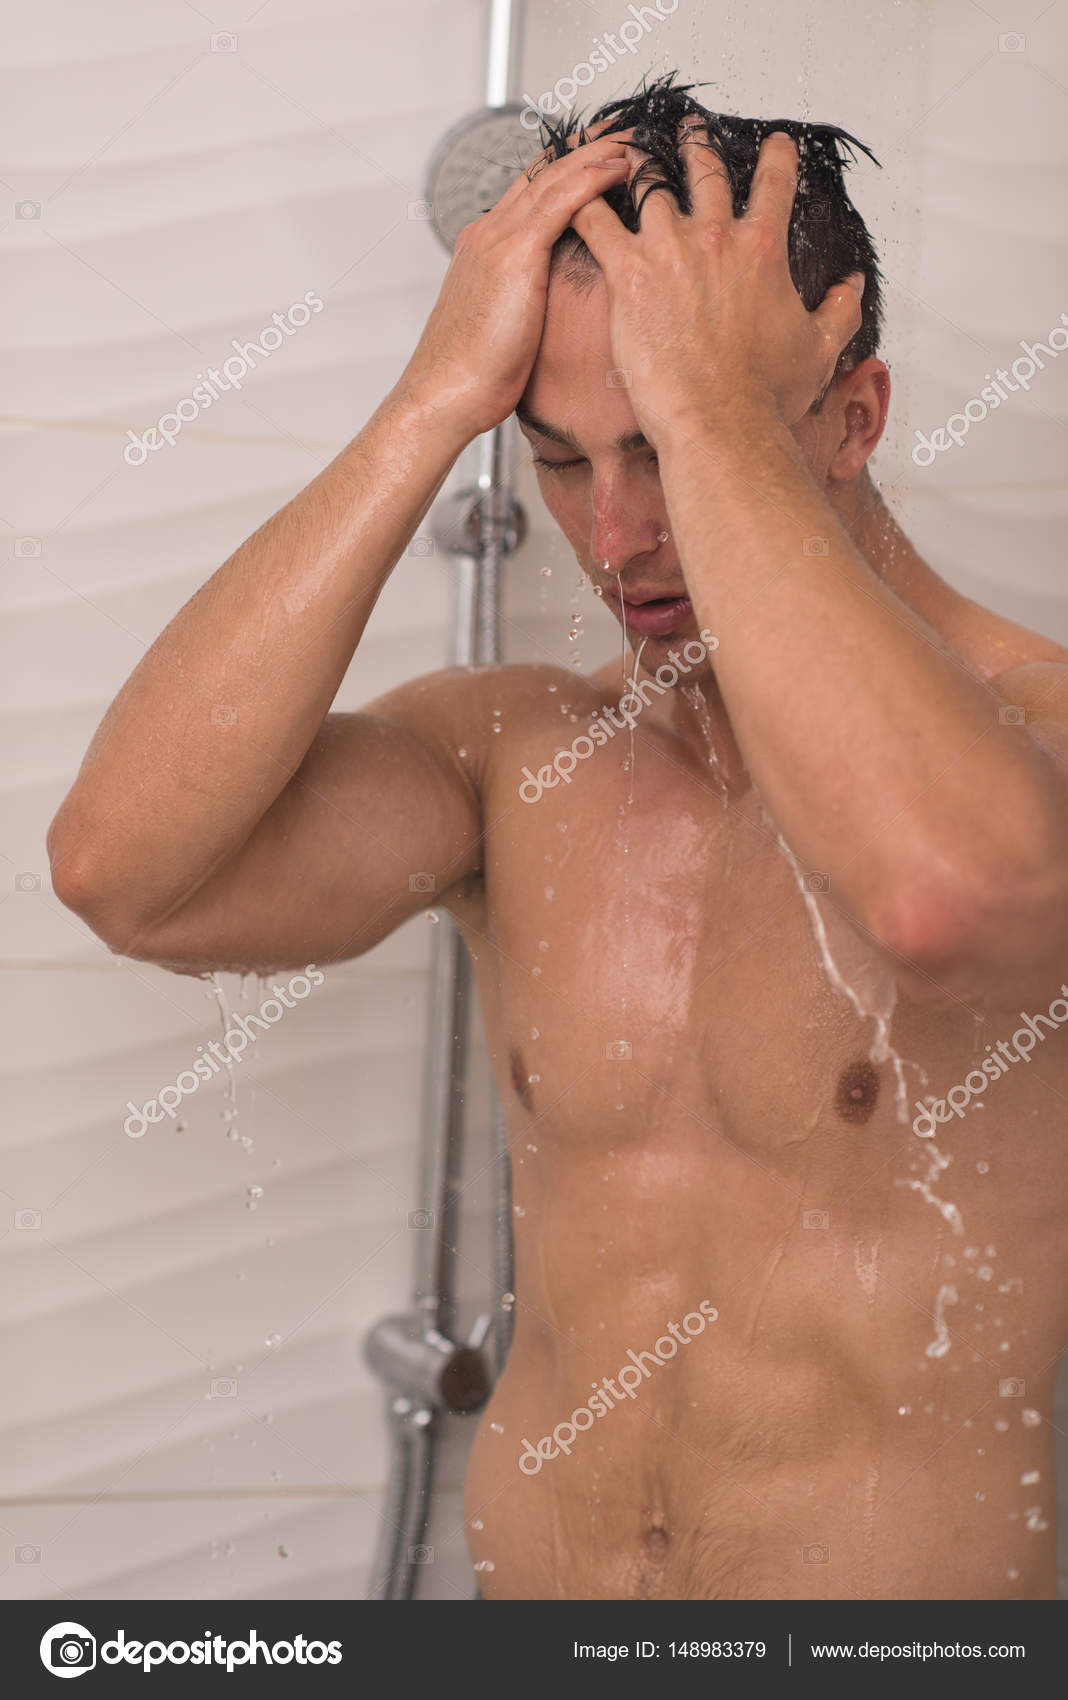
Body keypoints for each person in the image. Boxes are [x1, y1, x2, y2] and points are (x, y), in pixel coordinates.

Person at [48, 77, 1068, 1600]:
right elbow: (127, 875)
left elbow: (941, 898)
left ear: (853, 416)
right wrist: (429, 405)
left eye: (666, 448)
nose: (613, 537)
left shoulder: (1034, 739)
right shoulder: (519, 757)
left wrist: (715, 409)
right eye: (566, 459)